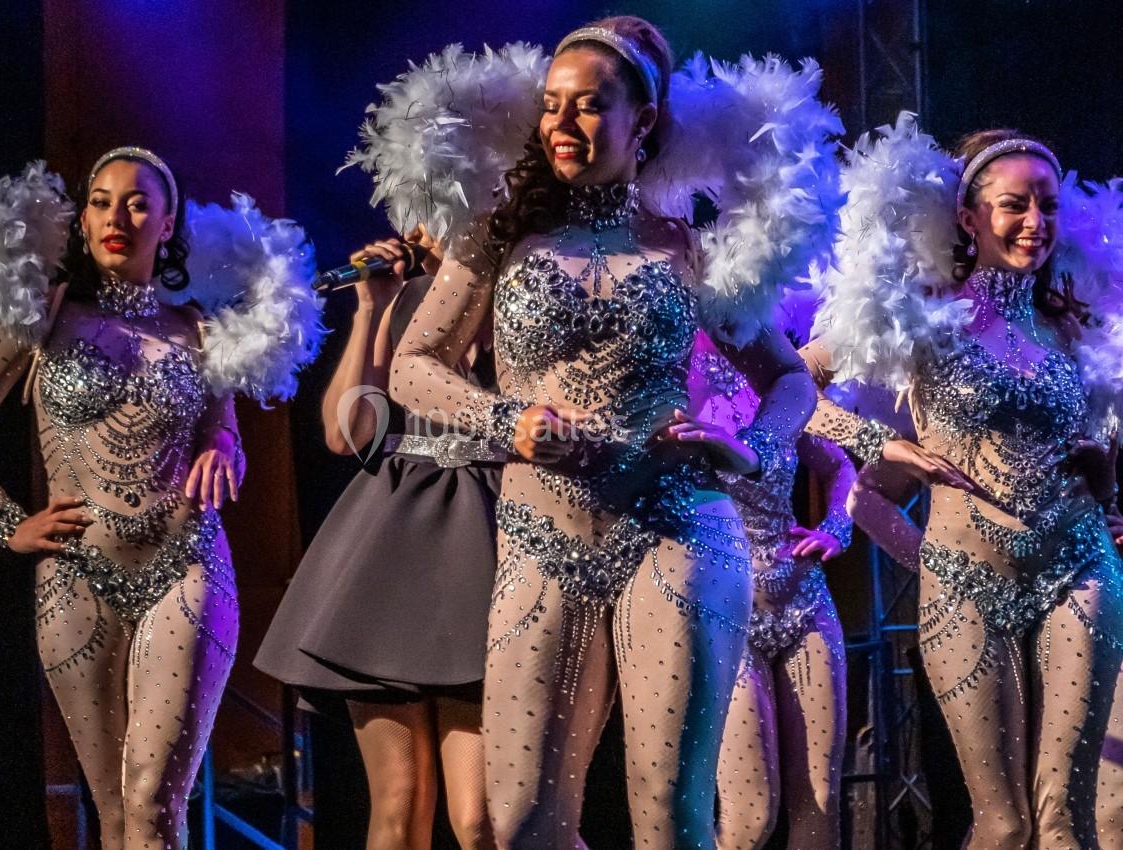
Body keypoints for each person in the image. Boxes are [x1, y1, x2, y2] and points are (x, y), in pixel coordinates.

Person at [389, 17, 826, 849]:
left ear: (644, 121)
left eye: (588, 107)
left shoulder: (686, 248)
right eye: (552, 106)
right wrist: (506, 418)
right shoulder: (498, 236)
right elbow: (412, 365)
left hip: (678, 531)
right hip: (537, 536)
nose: (561, 124)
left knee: (671, 822)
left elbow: (793, 379)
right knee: (520, 825)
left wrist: (748, 448)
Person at [0, 148, 320, 849]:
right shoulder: (43, 314)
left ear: (167, 221)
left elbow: (225, 432)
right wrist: (5, 523)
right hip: (75, 577)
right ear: (82, 220)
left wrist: (221, 451)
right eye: (103, 201)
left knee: (153, 802)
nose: (120, 216)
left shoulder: (200, 326)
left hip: (187, 565)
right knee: (114, 812)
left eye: (139, 202)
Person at [807, 123, 1123, 848]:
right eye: (1015, 205)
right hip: (964, 579)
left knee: (1067, 819)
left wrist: (1104, 478)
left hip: (1078, 568)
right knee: (1002, 824)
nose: (1035, 223)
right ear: (968, 216)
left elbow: (1106, 428)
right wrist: (879, 442)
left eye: (1047, 205)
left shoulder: (1073, 323)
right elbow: (799, 382)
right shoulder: (924, 315)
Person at [255, 227, 499, 850]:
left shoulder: (520, 283)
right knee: (399, 803)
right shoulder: (400, 295)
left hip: (486, 537)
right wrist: (372, 309)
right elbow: (347, 436)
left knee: (480, 821)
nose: (421, 226)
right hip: (392, 543)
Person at [688, 329, 854, 850]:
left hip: (804, 603)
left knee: (820, 803)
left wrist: (836, 527)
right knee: (750, 816)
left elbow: (840, 466)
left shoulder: (779, 382)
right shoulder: (668, 379)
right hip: (724, 613)